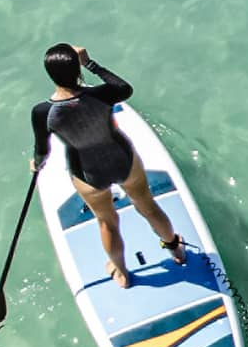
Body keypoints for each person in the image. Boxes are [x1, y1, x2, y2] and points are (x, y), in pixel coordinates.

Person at [31, 44, 185, 290]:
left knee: (107, 222)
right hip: (123, 160)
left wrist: (37, 164)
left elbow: (42, 150)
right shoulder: (101, 95)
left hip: (88, 174)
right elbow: (125, 88)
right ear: (76, 68)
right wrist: (90, 64)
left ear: (50, 74)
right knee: (147, 206)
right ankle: (176, 249)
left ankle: (121, 272)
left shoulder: (43, 112)